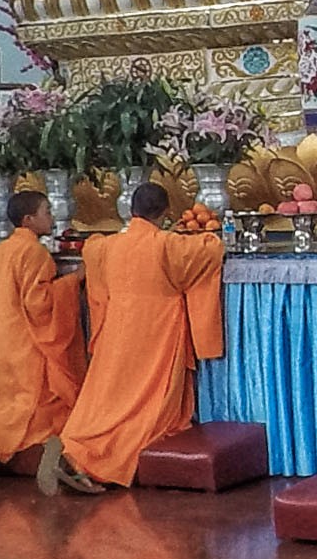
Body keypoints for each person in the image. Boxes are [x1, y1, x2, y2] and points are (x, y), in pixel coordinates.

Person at [43, 181, 226, 495]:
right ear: (165, 212)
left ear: (132, 211)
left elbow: (92, 248)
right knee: (148, 411)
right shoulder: (167, 244)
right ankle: (88, 462)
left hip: (116, 329)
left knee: (109, 399)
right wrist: (205, 233)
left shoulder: (109, 246)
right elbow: (211, 249)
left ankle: (75, 444)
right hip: (156, 330)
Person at [0, 190, 86, 484]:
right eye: (46, 211)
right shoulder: (34, 252)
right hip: (29, 344)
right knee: (45, 414)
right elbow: (41, 304)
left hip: (2, 344)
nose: (51, 216)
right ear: (29, 219)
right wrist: (74, 281)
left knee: (6, 406)